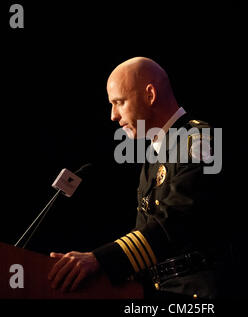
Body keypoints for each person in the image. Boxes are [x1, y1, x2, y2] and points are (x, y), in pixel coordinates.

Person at [48, 57, 226, 299]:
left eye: (119, 102)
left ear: (150, 95)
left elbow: (176, 221)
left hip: (197, 293)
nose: (113, 115)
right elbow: (146, 235)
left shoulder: (200, 139)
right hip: (158, 292)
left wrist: (101, 260)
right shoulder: (154, 156)